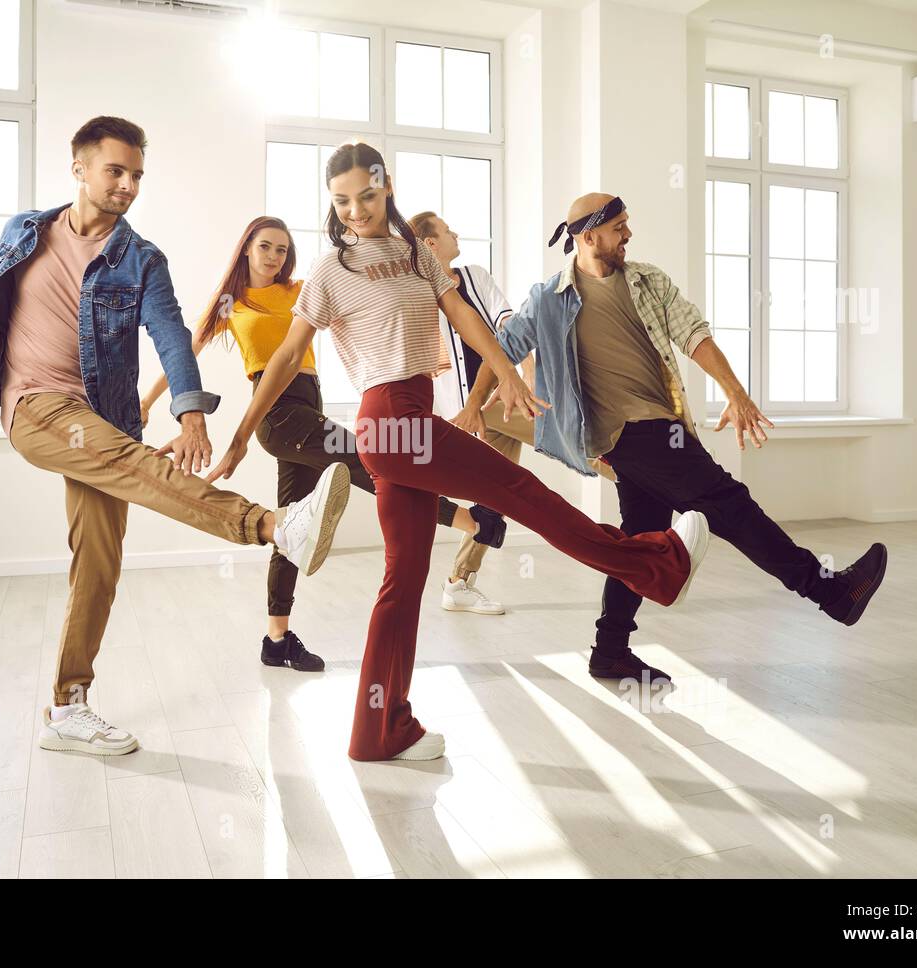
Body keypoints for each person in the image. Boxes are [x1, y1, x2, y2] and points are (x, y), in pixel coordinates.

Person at [204, 143, 710, 762]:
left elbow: (466, 317)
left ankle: (378, 730)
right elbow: (284, 359)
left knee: (403, 580)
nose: (356, 210)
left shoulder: (417, 256)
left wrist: (506, 373)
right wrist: (236, 438)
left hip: (406, 421)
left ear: (386, 187)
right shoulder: (331, 269)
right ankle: (653, 566)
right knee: (525, 495)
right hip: (390, 420)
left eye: (366, 195)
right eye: (342, 201)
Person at [0, 117, 351, 757]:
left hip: (104, 417)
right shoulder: (26, 232)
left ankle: (68, 707)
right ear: (80, 168)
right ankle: (271, 526)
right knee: (130, 460)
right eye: (115, 171)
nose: (127, 185)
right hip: (33, 405)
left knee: (99, 561)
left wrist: (192, 411)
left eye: (137, 175)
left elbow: (172, 334)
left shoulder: (141, 259)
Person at [464, 192, 888, 685]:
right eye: (619, 226)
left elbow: (693, 333)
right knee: (729, 503)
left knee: (641, 540)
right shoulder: (548, 300)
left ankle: (610, 649)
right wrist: (475, 404)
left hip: (662, 425)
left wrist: (735, 391)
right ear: (588, 236)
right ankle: (830, 592)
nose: (628, 234)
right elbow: (502, 349)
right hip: (627, 433)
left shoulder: (647, 280)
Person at [139, 216, 506, 672]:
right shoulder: (231, 304)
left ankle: (276, 640)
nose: (274, 256)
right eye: (265, 247)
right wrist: (148, 402)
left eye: (281, 249)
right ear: (246, 249)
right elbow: (181, 353)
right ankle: (470, 520)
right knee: (369, 460)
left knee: (291, 525)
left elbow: (363, 307)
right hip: (278, 414)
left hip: (308, 404)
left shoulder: (299, 291)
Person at [411, 210, 530, 615]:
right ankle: (650, 486)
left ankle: (459, 583)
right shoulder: (419, 295)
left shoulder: (475, 276)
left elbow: (508, 324)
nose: (455, 232)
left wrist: (527, 372)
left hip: (500, 394)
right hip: (464, 409)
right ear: (430, 244)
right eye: (446, 230)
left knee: (496, 488)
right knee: (570, 439)